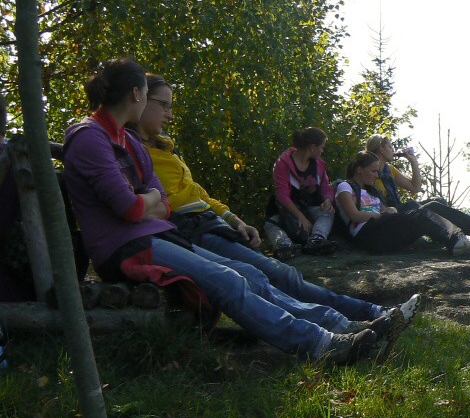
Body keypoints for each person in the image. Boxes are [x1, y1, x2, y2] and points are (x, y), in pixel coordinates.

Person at [62, 58, 396, 364]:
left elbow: (160, 203)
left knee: (249, 274)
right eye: (155, 99)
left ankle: (339, 324)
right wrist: (148, 201)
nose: (168, 113)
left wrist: (149, 202)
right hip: (127, 247)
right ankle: (321, 344)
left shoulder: (128, 141)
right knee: (229, 280)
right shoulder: (90, 137)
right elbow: (131, 207)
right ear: (137, 94)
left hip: (159, 237)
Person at [134, 74, 419, 339]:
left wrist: (236, 221)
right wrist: (298, 216)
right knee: (262, 276)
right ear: (140, 99)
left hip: (213, 223)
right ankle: (343, 325)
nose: (170, 114)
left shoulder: (166, 148)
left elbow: (200, 194)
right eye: (164, 105)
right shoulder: (133, 152)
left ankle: (369, 313)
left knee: (285, 272)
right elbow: (281, 197)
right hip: (198, 228)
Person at [364, 133, 470, 248]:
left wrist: (413, 161)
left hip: (399, 211)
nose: (393, 150)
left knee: (438, 201)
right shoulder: (369, 173)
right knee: (428, 205)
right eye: (390, 146)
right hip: (390, 218)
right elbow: (370, 204)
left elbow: (415, 187)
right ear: (381, 149)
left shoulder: (389, 170)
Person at [336, 151, 470, 255]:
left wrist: (389, 210)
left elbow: (384, 209)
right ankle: (456, 241)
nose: (377, 175)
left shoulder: (372, 190)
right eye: (373, 171)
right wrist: (378, 215)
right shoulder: (345, 186)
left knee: (433, 206)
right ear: (359, 170)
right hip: (368, 235)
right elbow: (354, 216)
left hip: (383, 228)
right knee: (420, 215)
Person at [264, 127, 338, 258]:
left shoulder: (319, 164)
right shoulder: (283, 163)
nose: (322, 151)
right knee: (270, 224)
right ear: (313, 147)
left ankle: (316, 239)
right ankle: (284, 246)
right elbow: (282, 195)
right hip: (287, 210)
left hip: (310, 207)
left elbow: (326, 186)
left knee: (327, 212)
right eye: (321, 147)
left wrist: (327, 200)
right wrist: (300, 216)